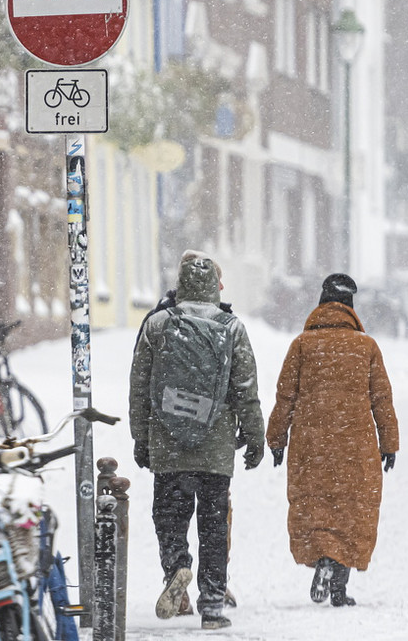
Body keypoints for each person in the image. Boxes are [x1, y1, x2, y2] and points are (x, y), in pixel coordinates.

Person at [130, 250, 263, 631]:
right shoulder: (232, 327)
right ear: (213, 287)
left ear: (181, 283)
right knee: (213, 525)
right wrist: (255, 437)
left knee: (169, 516)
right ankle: (213, 604)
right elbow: (245, 389)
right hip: (216, 446)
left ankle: (177, 566)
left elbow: (140, 387)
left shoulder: (157, 325)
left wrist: (142, 438)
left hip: (168, 444)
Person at [265, 273, 399, 608]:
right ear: (351, 308)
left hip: (311, 446)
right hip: (356, 444)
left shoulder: (301, 345)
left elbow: (285, 398)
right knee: (351, 510)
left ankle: (322, 559)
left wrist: (276, 438)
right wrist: (389, 443)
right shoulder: (366, 347)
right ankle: (339, 585)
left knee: (317, 506)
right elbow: (382, 399)